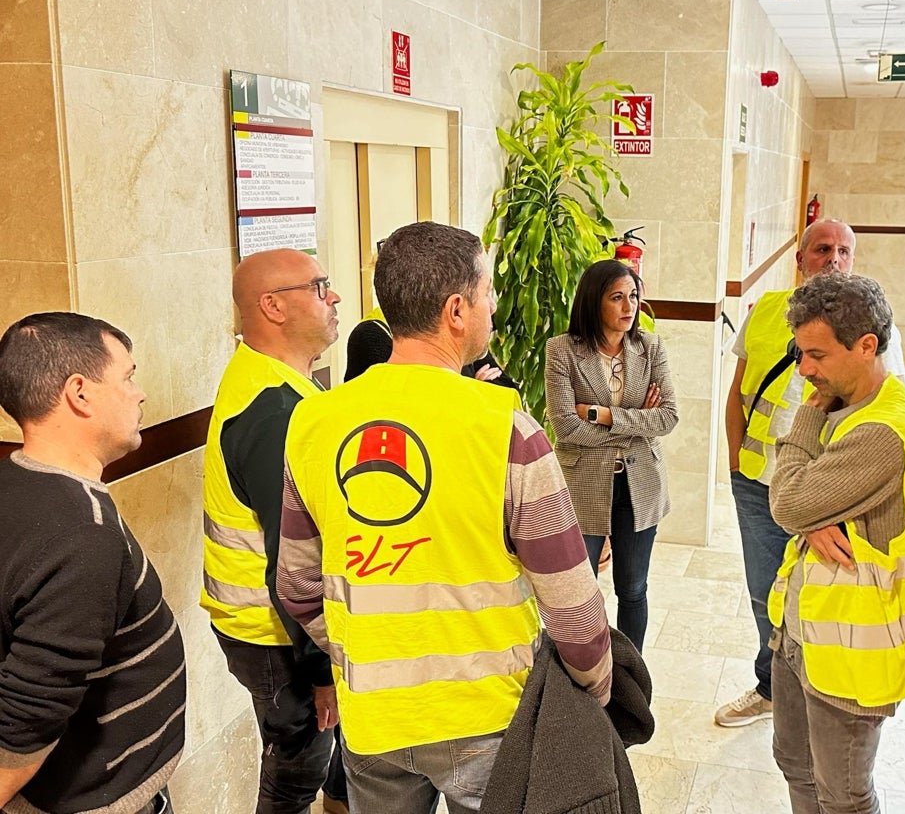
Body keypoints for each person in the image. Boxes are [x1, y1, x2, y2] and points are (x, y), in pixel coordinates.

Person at [276, 221, 613, 813]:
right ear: (457, 310)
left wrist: (370, 647)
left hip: (373, 716)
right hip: (486, 716)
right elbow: (572, 602)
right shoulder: (504, 428)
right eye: (488, 295)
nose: (493, 308)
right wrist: (597, 687)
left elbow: (298, 588)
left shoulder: (313, 423)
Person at [767, 272, 905, 814]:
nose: (804, 370)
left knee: (844, 796)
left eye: (817, 355)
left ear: (867, 345)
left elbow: (785, 502)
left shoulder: (884, 430)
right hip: (803, 630)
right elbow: (799, 503)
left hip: (854, 655)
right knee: (795, 766)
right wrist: (811, 514)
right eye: (799, 353)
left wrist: (807, 416)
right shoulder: (849, 401)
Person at [716, 218, 905, 727]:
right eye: (823, 248)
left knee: (813, 602)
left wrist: (819, 513)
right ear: (801, 259)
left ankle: (813, 699)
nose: (835, 258)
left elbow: (881, 418)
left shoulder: (873, 330)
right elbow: (737, 391)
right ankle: (771, 688)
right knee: (763, 595)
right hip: (757, 484)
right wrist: (735, 459)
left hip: (825, 499)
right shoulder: (765, 313)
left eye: (845, 250)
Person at [0, 312, 186, 814]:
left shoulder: (16, 481)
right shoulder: (82, 532)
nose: (139, 393)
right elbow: (29, 715)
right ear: (80, 393)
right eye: (127, 376)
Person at [200, 248, 349, 814]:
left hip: (269, 625)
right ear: (272, 306)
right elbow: (290, 554)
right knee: (295, 771)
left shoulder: (278, 384)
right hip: (273, 633)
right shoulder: (273, 410)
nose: (333, 297)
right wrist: (321, 669)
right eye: (320, 286)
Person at [544, 258, 679, 652]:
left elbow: (668, 417)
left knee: (633, 589)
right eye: (617, 297)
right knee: (579, 590)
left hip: (641, 485)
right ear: (593, 301)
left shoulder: (650, 347)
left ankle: (631, 676)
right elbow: (566, 427)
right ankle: (582, 675)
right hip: (582, 483)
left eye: (633, 296)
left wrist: (603, 415)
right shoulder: (562, 351)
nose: (628, 306)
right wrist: (636, 424)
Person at [344, 304, 517, 389]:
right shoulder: (372, 335)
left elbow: (508, 389)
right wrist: (474, 390)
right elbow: (409, 408)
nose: (492, 307)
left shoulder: (447, 325)